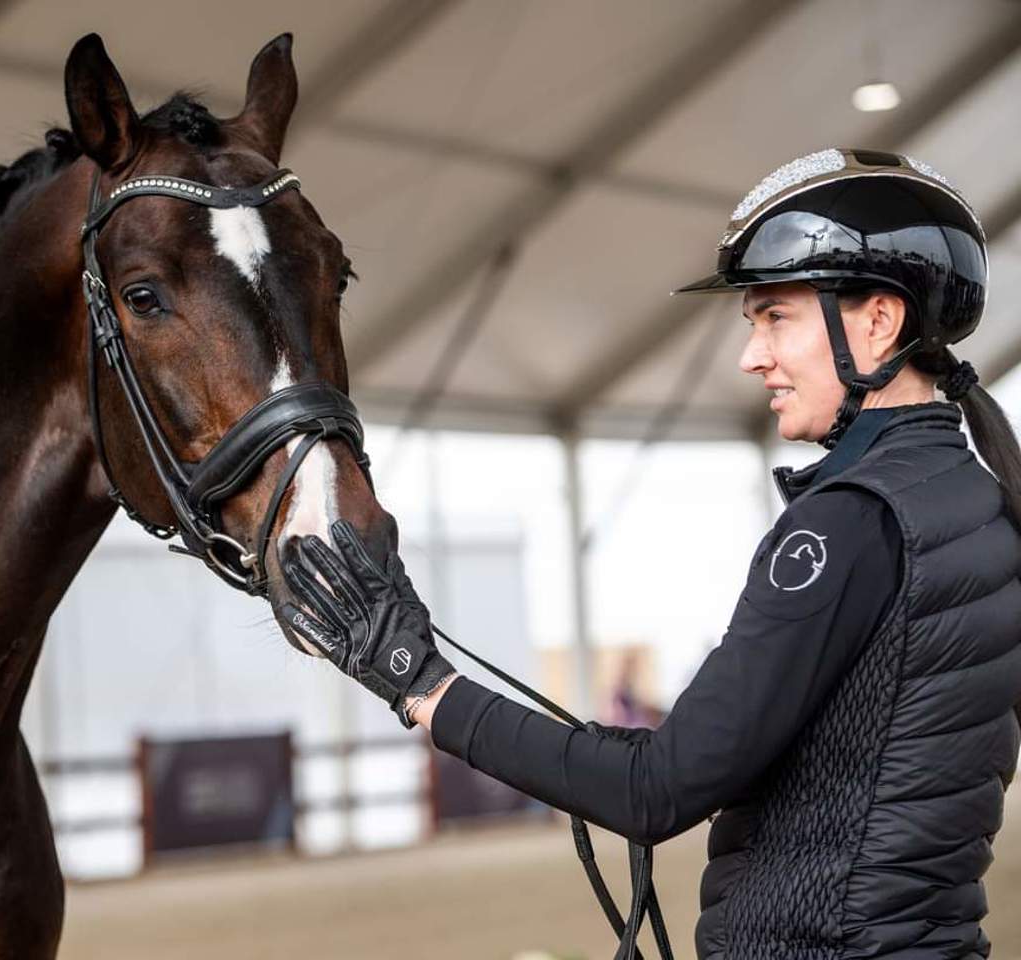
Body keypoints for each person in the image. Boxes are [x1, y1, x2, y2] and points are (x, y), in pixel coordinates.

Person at [282, 148, 1021, 960]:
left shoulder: (848, 524)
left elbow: (656, 788)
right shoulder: (975, 497)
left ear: (878, 322)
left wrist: (419, 684)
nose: (752, 357)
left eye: (776, 317)